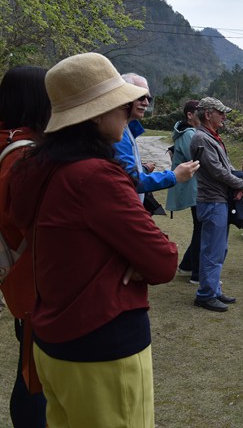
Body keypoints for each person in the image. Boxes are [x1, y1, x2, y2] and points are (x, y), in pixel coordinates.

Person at [8, 52, 177, 427]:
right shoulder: (97, 176)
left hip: (52, 340)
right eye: (120, 104)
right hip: (103, 344)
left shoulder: (35, 167)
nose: (129, 110)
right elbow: (163, 261)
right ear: (97, 115)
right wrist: (126, 256)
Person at [0, 66, 50, 427]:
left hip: (19, 273)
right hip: (32, 276)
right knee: (35, 376)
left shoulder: (7, 141)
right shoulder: (23, 154)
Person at [190, 97, 243, 312]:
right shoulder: (202, 138)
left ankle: (212, 289)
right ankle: (205, 294)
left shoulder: (211, 137)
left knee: (219, 249)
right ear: (208, 114)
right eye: (220, 112)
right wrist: (240, 182)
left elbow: (225, 166)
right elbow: (216, 170)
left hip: (218, 200)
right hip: (212, 200)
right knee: (212, 250)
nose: (224, 116)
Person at [114, 73, 197, 202]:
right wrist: (174, 176)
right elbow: (129, 180)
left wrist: (144, 169)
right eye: (141, 97)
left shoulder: (128, 129)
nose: (146, 103)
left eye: (149, 99)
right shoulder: (116, 133)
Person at [168, 100, 202, 283]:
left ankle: (187, 265)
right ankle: (197, 272)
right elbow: (199, 160)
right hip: (196, 188)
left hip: (194, 187)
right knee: (201, 228)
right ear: (190, 115)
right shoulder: (189, 134)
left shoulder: (187, 132)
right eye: (200, 112)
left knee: (200, 227)